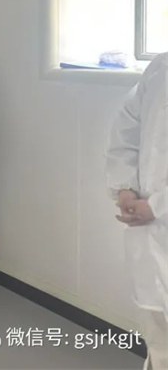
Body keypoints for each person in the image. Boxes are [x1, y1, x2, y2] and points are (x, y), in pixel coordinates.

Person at [106, 52, 168, 370]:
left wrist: (157, 206)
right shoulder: (160, 68)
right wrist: (125, 187)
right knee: (158, 341)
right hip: (149, 236)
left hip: (154, 217)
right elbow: (126, 130)